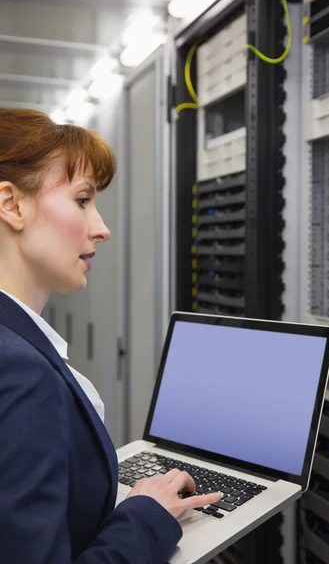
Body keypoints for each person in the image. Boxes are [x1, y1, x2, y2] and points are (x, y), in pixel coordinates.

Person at [0, 108, 222, 563]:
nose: (101, 229)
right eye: (82, 200)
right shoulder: (20, 370)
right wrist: (146, 514)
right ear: (11, 205)